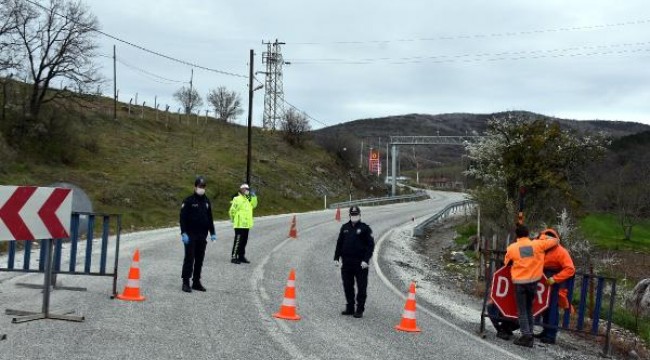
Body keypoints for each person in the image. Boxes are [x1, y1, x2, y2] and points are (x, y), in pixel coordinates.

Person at [504, 225, 558, 347]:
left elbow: (506, 262)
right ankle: (530, 335)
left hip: (519, 283)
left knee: (522, 311)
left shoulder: (512, 247)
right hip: (533, 282)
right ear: (528, 234)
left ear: (517, 235)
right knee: (529, 310)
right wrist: (542, 237)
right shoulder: (538, 244)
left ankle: (526, 336)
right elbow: (555, 241)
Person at [534, 228, 576, 344]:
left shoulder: (561, 252)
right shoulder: (539, 247)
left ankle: (551, 335)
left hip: (553, 282)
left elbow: (570, 269)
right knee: (544, 307)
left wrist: (555, 279)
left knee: (552, 307)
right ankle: (546, 330)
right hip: (541, 279)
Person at [333, 206, 375, 318]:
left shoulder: (365, 228)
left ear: (360, 215)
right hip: (347, 263)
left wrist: (366, 260)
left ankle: (360, 309)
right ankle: (350, 307)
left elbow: (370, 246)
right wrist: (336, 257)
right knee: (348, 286)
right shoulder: (344, 227)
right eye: (352, 215)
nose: (354, 216)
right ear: (349, 215)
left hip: (361, 264)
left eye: (356, 215)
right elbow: (339, 243)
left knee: (361, 287)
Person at [179, 176, 217, 293]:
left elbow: (210, 218)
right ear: (195, 187)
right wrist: (183, 233)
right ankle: (186, 282)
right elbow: (182, 218)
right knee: (189, 258)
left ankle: (196, 281)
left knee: (199, 259)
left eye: (203, 187)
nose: (202, 188)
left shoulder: (206, 201)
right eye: (200, 186)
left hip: (202, 235)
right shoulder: (188, 201)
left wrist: (213, 232)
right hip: (190, 235)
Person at [229, 183, 258, 264]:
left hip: (246, 224)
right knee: (238, 240)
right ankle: (234, 257)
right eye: (244, 189)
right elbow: (232, 211)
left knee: (244, 241)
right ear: (240, 189)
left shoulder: (248, 198)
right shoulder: (237, 198)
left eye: (247, 189)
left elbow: (254, 205)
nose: (246, 190)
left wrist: (254, 196)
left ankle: (241, 256)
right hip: (239, 224)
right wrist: (233, 220)